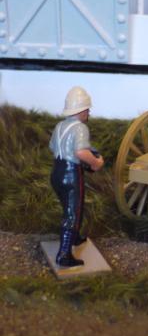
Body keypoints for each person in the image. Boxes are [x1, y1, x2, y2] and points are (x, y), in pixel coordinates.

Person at [49, 87, 104, 267]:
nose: (88, 112)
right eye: (87, 109)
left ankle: (75, 237)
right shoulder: (80, 128)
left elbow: (53, 147)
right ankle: (64, 255)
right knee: (73, 212)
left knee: (70, 207)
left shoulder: (60, 126)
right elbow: (80, 152)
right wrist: (95, 163)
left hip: (57, 172)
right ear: (80, 111)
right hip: (71, 174)